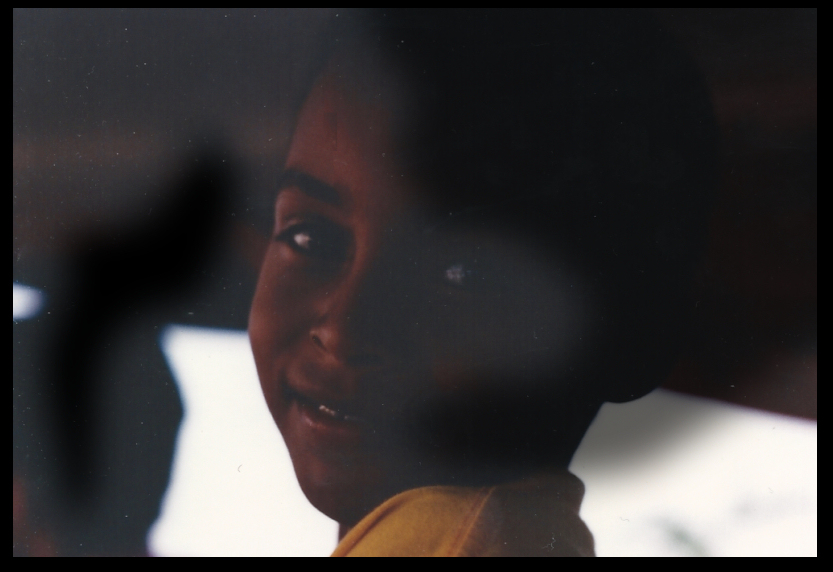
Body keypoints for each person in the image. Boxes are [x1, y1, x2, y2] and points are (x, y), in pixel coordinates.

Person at [248, 9, 718, 556]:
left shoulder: (450, 540)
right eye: (312, 239)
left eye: (460, 274)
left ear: (639, 335)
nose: (344, 331)